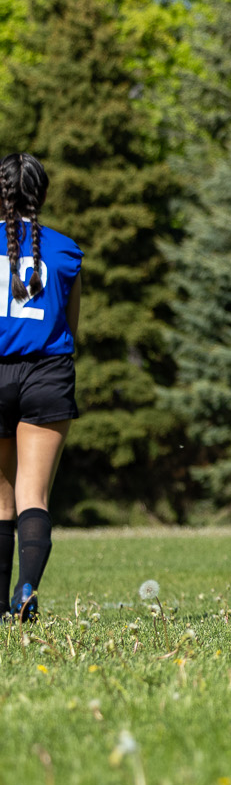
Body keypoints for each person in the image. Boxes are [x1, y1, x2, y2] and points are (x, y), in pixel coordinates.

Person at [0, 154, 81, 622]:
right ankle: (25, 591)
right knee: (34, 493)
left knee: (0, 494)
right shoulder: (68, 251)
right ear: (43, 195)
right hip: (48, 373)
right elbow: (72, 328)